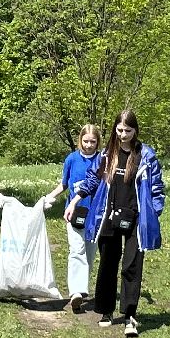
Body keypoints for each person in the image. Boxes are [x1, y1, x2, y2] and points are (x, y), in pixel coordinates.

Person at [66, 110, 165, 338]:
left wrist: (153, 214)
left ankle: (130, 315)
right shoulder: (106, 155)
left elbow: (157, 188)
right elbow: (92, 179)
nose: (123, 135)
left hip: (135, 220)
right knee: (108, 264)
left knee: (131, 267)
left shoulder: (146, 156)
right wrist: (75, 200)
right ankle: (106, 311)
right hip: (108, 217)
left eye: (128, 131)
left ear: (135, 130)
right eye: (119, 130)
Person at [40, 124, 102, 313]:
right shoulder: (72, 159)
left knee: (89, 254)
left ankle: (82, 288)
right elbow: (64, 184)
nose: (89, 145)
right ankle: (76, 291)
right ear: (79, 141)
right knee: (76, 250)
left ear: (98, 142)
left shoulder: (102, 160)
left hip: (95, 214)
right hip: (74, 212)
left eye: (93, 141)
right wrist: (48, 197)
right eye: (86, 141)